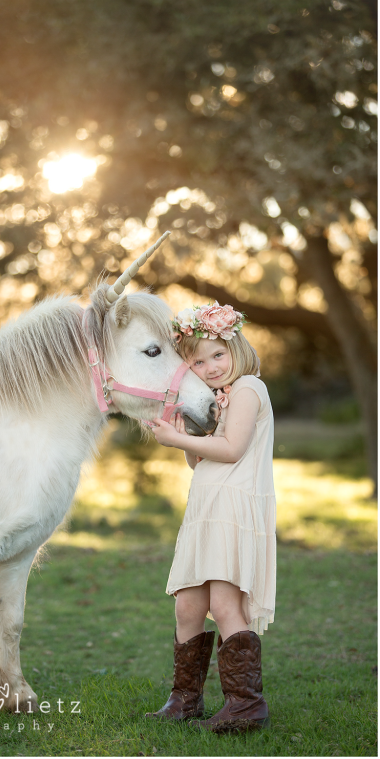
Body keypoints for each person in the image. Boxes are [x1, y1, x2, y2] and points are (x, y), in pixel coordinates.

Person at [144, 302, 273, 734]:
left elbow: (234, 449)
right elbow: (199, 463)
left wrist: (174, 438)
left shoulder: (249, 387)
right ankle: (185, 699)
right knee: (188, 606)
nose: (211, 366)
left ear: (235, 346)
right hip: (206, 507)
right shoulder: (220, 398)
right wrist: (186, 437)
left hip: (232, 509)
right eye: (198, 361)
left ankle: (244, 704)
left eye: (218, 354)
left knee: (224, 603)